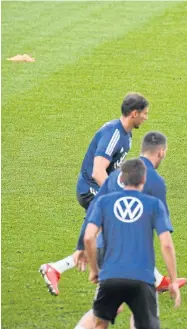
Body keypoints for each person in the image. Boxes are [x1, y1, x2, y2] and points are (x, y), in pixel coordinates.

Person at [39, 93, 149, 296]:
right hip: (91, 190)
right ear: (134, 113)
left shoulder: (126, 134)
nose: (146, 117)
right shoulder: (114, 134)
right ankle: (114, 285)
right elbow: (97, 171)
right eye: (144, 113)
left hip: (98, 190)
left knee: (101, 237)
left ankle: (56, 268)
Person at [74, 132, 187, 329]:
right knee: (143, 321)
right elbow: (166, 244)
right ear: (143, 180)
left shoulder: (104, 201)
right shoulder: (153, 204)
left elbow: (90, 236)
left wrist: (93, 269)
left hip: (109, 272)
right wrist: (173, 281)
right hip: (141, 276)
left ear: (121, 178)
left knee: (99, 321)